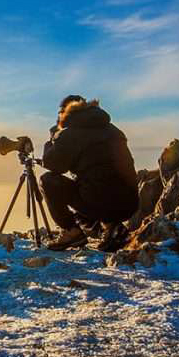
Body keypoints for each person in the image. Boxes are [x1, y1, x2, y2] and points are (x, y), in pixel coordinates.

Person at [40, 95, 139, 251]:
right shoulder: (112, 129)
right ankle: (111, 227)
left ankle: (71, 231)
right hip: (130, 203)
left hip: (99, 202)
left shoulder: (71, 133)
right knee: (98, 183)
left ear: (64, 113)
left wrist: (53, 139)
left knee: (48, 181)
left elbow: (52, 164)